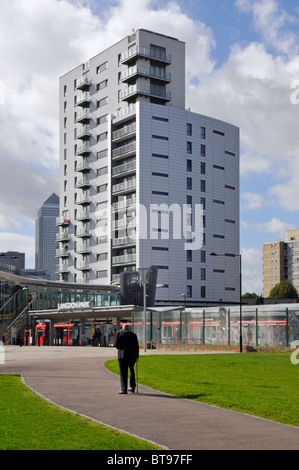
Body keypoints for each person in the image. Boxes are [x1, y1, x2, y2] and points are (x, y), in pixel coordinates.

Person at [115, 323, 139, 394]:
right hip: (132, 355)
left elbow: (116, 344)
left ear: (122, 328)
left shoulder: (119, 333)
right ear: (129, 328)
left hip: (122, 355)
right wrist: (137, 356)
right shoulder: (133, 335)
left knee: (123, 372)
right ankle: (132, 387)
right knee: (132, 370)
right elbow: (136, 347)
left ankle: (124, 389)